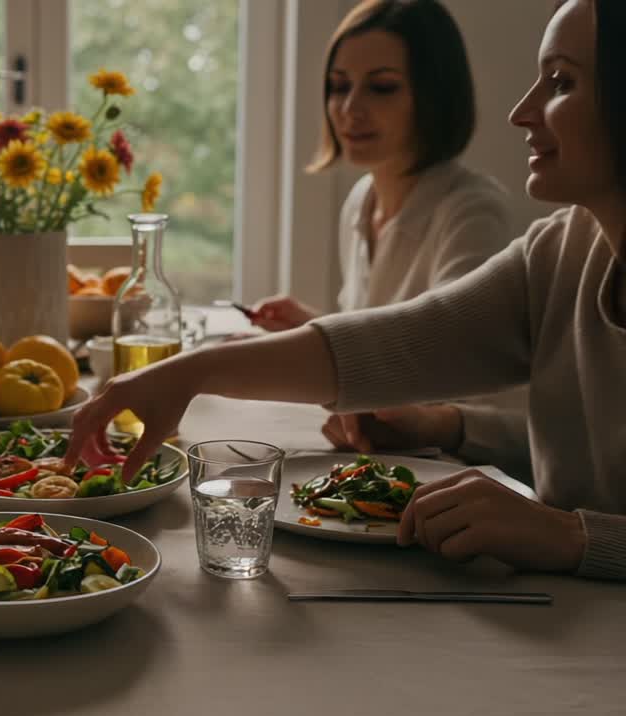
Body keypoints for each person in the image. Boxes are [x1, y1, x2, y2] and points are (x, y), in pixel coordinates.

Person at [66, 0, 626, 578]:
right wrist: (190, 371)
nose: (521, 111)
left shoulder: (480, 212)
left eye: (561, 82)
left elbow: (478, 418)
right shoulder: (562, 249)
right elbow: (397, 342)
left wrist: (575, 536)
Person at [247, 0, 527, 473]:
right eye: (338, 87)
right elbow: (389, 335)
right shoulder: (361, 200)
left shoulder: (471, 210)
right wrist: (315, 327)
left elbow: (457, 371)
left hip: (459, 475)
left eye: (381, 88)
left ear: (434, 95)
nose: (350, 108)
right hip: (380, 462)